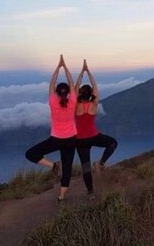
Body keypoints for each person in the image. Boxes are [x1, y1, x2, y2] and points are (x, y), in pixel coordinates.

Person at [25, 54, 77, 203]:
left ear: (56, 93)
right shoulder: (72, 101)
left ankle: (53, 166)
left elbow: (51, 82)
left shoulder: (53, 101)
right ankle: (61, 197)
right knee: (67, 169)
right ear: (68, 93)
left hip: (55, 140)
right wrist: (65, 67)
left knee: (31, 154)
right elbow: (71, 82)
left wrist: (58, 66)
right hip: (70, 140)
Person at [74, 58, 118, 198]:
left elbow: (74, 89)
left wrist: (82, 73)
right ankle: (101, 163)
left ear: (80, 94)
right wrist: (88, 71)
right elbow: (95, 87)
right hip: (94, 136)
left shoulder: (76, 106)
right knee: (113, 143)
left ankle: (91, 193)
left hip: (80, 140)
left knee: (85, 167)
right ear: (91, 94)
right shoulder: (94, 105)